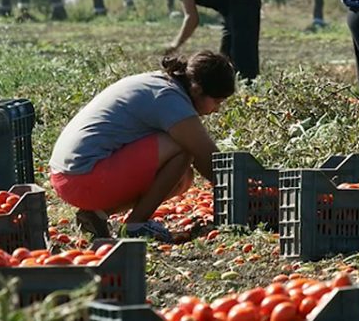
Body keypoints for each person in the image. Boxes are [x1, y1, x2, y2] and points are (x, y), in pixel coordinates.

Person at [49, 51, 235, 242]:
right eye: (216, 101)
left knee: (183, 177)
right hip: (85, 177)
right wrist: (243, 193)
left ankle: (97, 213)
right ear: (197, 89)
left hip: (67, 177)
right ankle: (136, 225)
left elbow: (206, 164)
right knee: (184, 147)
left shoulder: (160, 83)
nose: (217, 110)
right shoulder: (168, 97)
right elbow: (209, 157)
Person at [144, 0, 261, 81]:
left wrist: (175, 44)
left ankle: (249, 85)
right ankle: (230, 86)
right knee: (226, 51)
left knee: (241, 48)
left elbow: (192, 18)